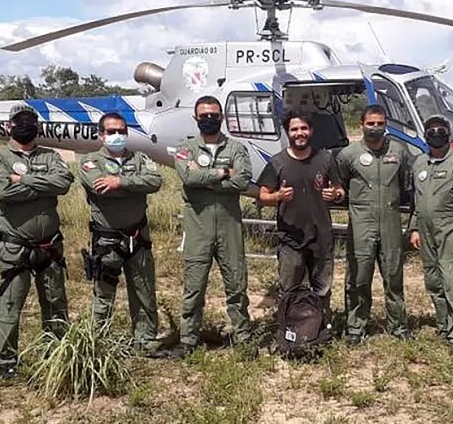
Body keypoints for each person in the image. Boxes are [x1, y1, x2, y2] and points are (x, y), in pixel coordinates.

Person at [154, 95, 255, 359]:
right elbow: (187, 177)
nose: (209, 119)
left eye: (214, 114)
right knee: (194, 286)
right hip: (197, 227)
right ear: (196, 118)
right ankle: (188, 340)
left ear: (221, 117)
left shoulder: (236, 148)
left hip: (229, 226)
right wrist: (222, 174)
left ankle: (243, 336)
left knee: (236, 283)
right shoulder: (185, 149)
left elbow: (243, 180)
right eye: (204, 115)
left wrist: (206, 180)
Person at [0, 103, 74, 379]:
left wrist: (22, 179)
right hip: (15, 245)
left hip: (49, 245)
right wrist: (41, 187)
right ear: (9, 126)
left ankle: (57, 351)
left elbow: (64, 184)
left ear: (38, 126)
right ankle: (6, 361)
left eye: (31, 121)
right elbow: (2, 191)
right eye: (19, 121)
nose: (26, 125)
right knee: (11, 303)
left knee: (56, 300)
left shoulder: (50, 155)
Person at [78, 112, 163, 356]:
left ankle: (145, 341)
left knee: (144, 290)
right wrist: (133, 185)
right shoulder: (90, 161)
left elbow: (154, 181)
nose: (117, 136)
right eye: (112, 132)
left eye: (121, 131)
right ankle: (98, 342)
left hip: (138, 237)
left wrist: (119, 182)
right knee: (104, 294)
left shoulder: (140, 158)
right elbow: (100, 188)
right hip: (107, 239)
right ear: (101, 135)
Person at [257, 110, 345, 329]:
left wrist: (334, 194)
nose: (299, 133)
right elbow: (262, 196)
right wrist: (277, 196)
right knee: (289, 290)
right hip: (291, 239)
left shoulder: (325, 159)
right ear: (288, 132)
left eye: (303, 128)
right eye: (294, 129)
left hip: (321, 238)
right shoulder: (278, 163)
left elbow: (340, 189)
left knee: (322, 289)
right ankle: (289, 331)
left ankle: (321, 330)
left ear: (311, 131)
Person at [336, 104, 413, 344]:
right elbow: (340, 185)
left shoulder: (398, 152)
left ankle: (398, 326)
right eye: (371, 123)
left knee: (394, 277)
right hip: (361, 225)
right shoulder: (348, 154)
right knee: (358, 277)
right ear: (362, 124)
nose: (375, 128)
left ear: (386, 124)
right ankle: (356, 328)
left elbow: (407, 185)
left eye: (380, 123)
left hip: (390, 223)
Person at [409, 115, 453, 352]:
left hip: (451, 229)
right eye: (431, 130)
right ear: (425, 135)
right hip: (426, 231)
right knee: (433, 281)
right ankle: (443, 326)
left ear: (448, 134)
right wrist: (415, 228)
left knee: (452, 281)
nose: (436, 134)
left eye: (441, 130)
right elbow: (416, 200)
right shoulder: (419, 163)